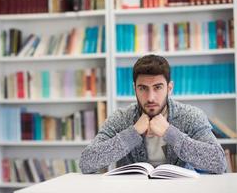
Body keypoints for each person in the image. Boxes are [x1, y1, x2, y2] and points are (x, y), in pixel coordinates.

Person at [79, 54, 226, 174]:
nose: (150, 97)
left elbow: (218, 162)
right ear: (134, 89)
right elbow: (86, 162)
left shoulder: (190, 116)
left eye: (157, 87)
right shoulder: (121, 118)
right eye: (143, 88)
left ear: (169, 88)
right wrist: (132, 133)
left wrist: (170, 133)